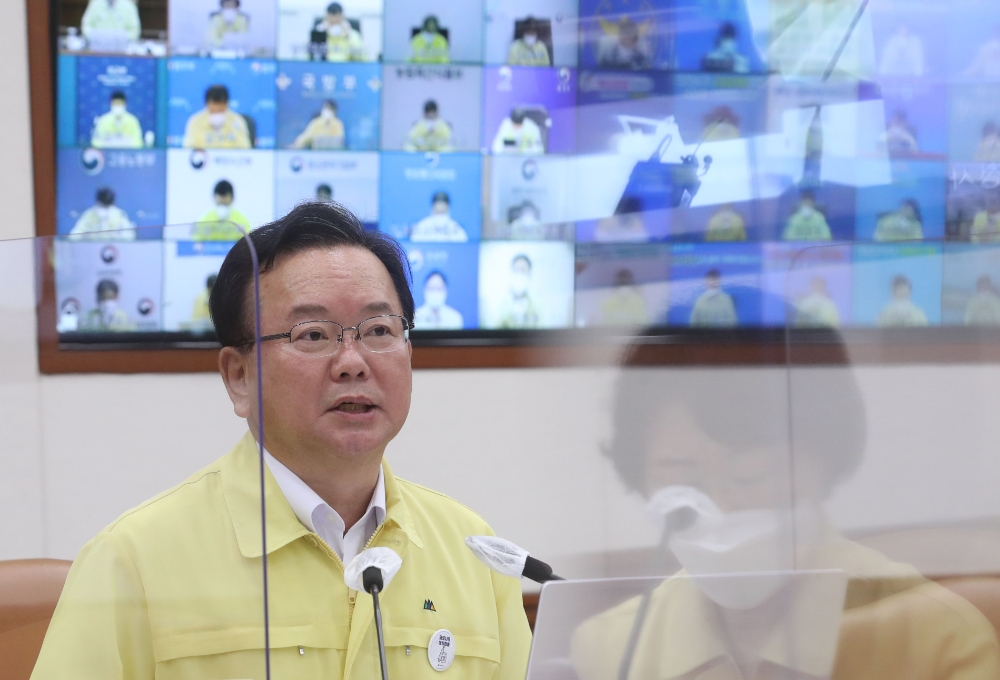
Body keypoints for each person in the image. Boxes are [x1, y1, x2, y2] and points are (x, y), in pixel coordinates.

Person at [32, 201, 532, 679]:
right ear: (239, 376)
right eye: (313, 335)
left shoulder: (475, 555)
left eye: (379, 330)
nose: (353, 362)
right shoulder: (133, 560)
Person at [571, 329, 1000, 680]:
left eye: (751, 475)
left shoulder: (937, 637)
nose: (720, 506)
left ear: (823, 463)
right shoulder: (610, 647)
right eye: (683, 477)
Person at [182, 84, 252, 149]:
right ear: (206, 104)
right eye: (213, 109)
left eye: (220, 109)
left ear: (227, 104)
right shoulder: (196, 122)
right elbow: (188, 148)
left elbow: (245, 148)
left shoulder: (237, 121)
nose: (217, 109)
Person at [69, 187, 135, 240]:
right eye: (102, 206)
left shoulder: (119, 215)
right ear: (97, 202)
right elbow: (74, 236)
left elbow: (130, 236)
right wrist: (85, 236)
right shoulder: (89, 215)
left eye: (107, 207)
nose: (104, 210)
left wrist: (117, 236)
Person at [498, 254, 542, 329]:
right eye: (516, 270)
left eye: (523, 270)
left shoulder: (538, 304)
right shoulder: (501, 303)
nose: (519, 275)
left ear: (529, 275)